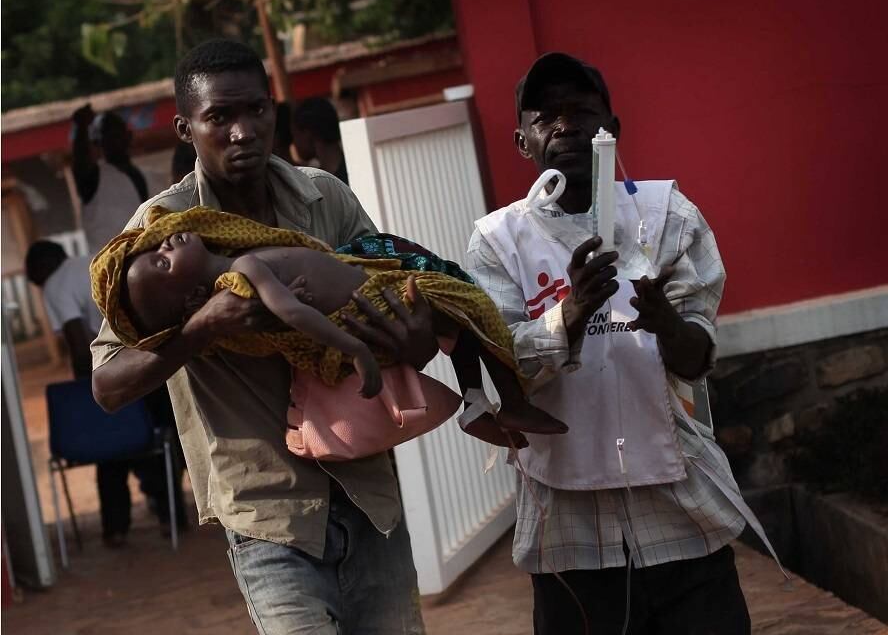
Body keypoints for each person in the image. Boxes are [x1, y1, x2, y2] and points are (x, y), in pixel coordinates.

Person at [91, 38, 481, 635]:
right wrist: (199, 332)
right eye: (216, 115)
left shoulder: (324, 202)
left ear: (272, 110)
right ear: (184, 128)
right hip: (268, 522)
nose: (238, 128)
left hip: (370, 501)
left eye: (251, 109)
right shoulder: (158, 234)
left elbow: (410, 298)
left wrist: (412, 333)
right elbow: (107, 381)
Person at [465, 52, 801, 635]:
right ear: (524, 138)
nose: (570, 126)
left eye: (588, 112)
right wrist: (568, 313)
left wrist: (657, 314)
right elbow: (501, 373)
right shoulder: (498, 241)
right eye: (549, 115)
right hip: (571, 541)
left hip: (680, 520)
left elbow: (699, 350)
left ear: (615, 128)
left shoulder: (668, 217)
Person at [90, 207, 567, 445]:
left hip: (380, 288)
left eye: (159, 250)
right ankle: (514, 399)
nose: (165, 245)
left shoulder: (240, 246)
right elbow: (297, 314)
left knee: (454, 304)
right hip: (371, 303)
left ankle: (476, 402)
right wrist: (356, 350)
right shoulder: (244, 273)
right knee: (471, 303)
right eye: (163, 263)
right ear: (194, 299)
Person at [25, 239, 183, 546]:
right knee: (153, 441)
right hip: (152, 360)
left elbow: (78, 346)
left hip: (116, 371)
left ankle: (116, 528)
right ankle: (171, 517)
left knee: (111, 452)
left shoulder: (55, 284)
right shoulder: (95, 259)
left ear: (44, 266)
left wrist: (93, 394)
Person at [70, 105, 150, 254]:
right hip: (111, 267)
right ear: (97, 143)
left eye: (116, 133)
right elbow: (81, 163)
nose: (113, 140)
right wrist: (81, 127)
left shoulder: (150, 177)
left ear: (128, 136)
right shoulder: (93, 179)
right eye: (106, 135)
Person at [291, 95, 349, 183]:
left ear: (307, 133)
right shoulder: (354, 167)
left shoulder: (316, 182)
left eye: (295, 135)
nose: (294, 142)